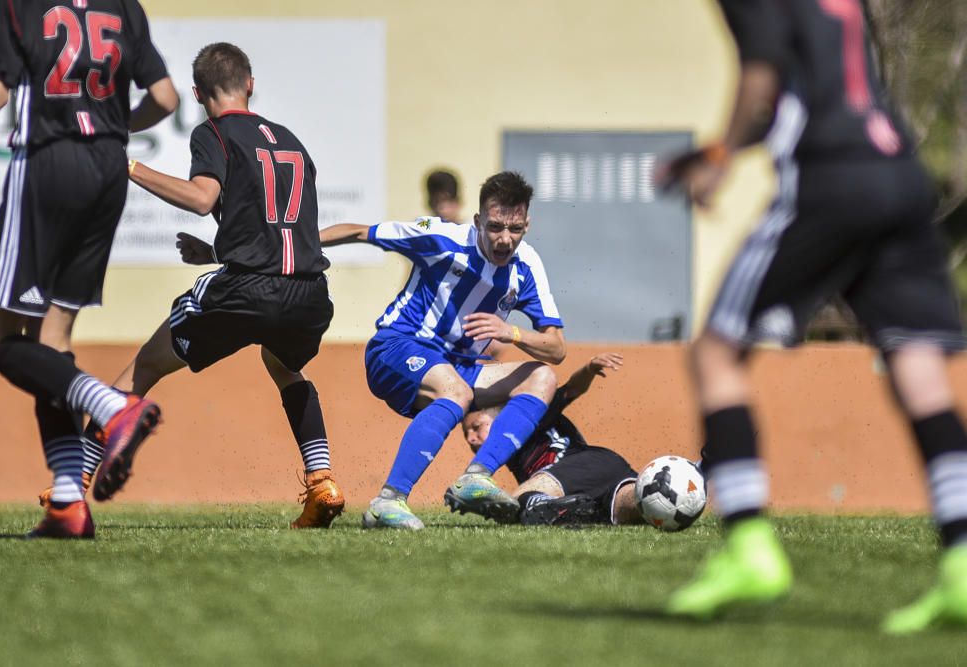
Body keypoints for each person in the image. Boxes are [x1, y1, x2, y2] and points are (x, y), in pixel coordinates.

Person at [658, 0, 967, 632]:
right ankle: (962, 564)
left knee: (716, 353)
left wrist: (718, 156)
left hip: (830, 179)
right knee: (919, 371)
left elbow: (764, 73)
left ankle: (748, 548)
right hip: (899, 172)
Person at [65, 43, 344, 528]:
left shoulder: (213, 131)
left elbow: (200, 199)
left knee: (144, 365)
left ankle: (72, 489)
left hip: (248, 290)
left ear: (197, 93)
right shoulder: (290, 140)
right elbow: (283, 231)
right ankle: (323, 482)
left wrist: (129, 166)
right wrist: (215, 251)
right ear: (250, 83)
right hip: (308, 294)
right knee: (284, 367)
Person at [0, 0, 177, 538]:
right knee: (51, 343)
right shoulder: (122, 5)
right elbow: (165, 98)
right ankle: (67, 501)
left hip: (48, 160)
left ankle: (113, 408)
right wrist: (113, 128)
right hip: (110, 169)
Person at [321, 171, 566, 529]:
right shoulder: (439, 236)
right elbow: (361, 232)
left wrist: (512, 332)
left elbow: (556, 347)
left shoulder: (527, 266)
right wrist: (296, 247)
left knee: (542, 377)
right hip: (396, 347)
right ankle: (386, 502)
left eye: (514, 229)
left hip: (457, 366)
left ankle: (476, 477)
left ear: (527, 224)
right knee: (456, 390)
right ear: (478, 220)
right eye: (495, 227)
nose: (504, 239)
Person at [461, 352, 643, 526]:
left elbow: (571, 389)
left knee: (519, 501)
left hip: (586, 464)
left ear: (502, 415)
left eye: (476, 427)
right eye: (466, 434)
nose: (471, 438)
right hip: (592, 486)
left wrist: (589, 368)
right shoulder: (511, 460)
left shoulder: (531, 415)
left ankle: (537, 503)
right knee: (640, 502)